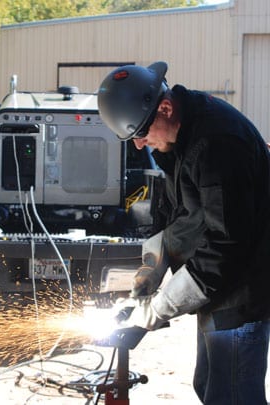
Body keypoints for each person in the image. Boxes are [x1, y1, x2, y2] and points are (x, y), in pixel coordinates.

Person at [97, 62, 270, 404]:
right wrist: (152, 267)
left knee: (231, 396)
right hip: (218, 291)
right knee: (207, 385)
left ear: (165, 108)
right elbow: (180, 214)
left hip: (242, 293)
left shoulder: (219, 143)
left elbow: (225, 246)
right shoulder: (178, 136)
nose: (139, 145)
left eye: (141, 133)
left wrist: (159, 308)